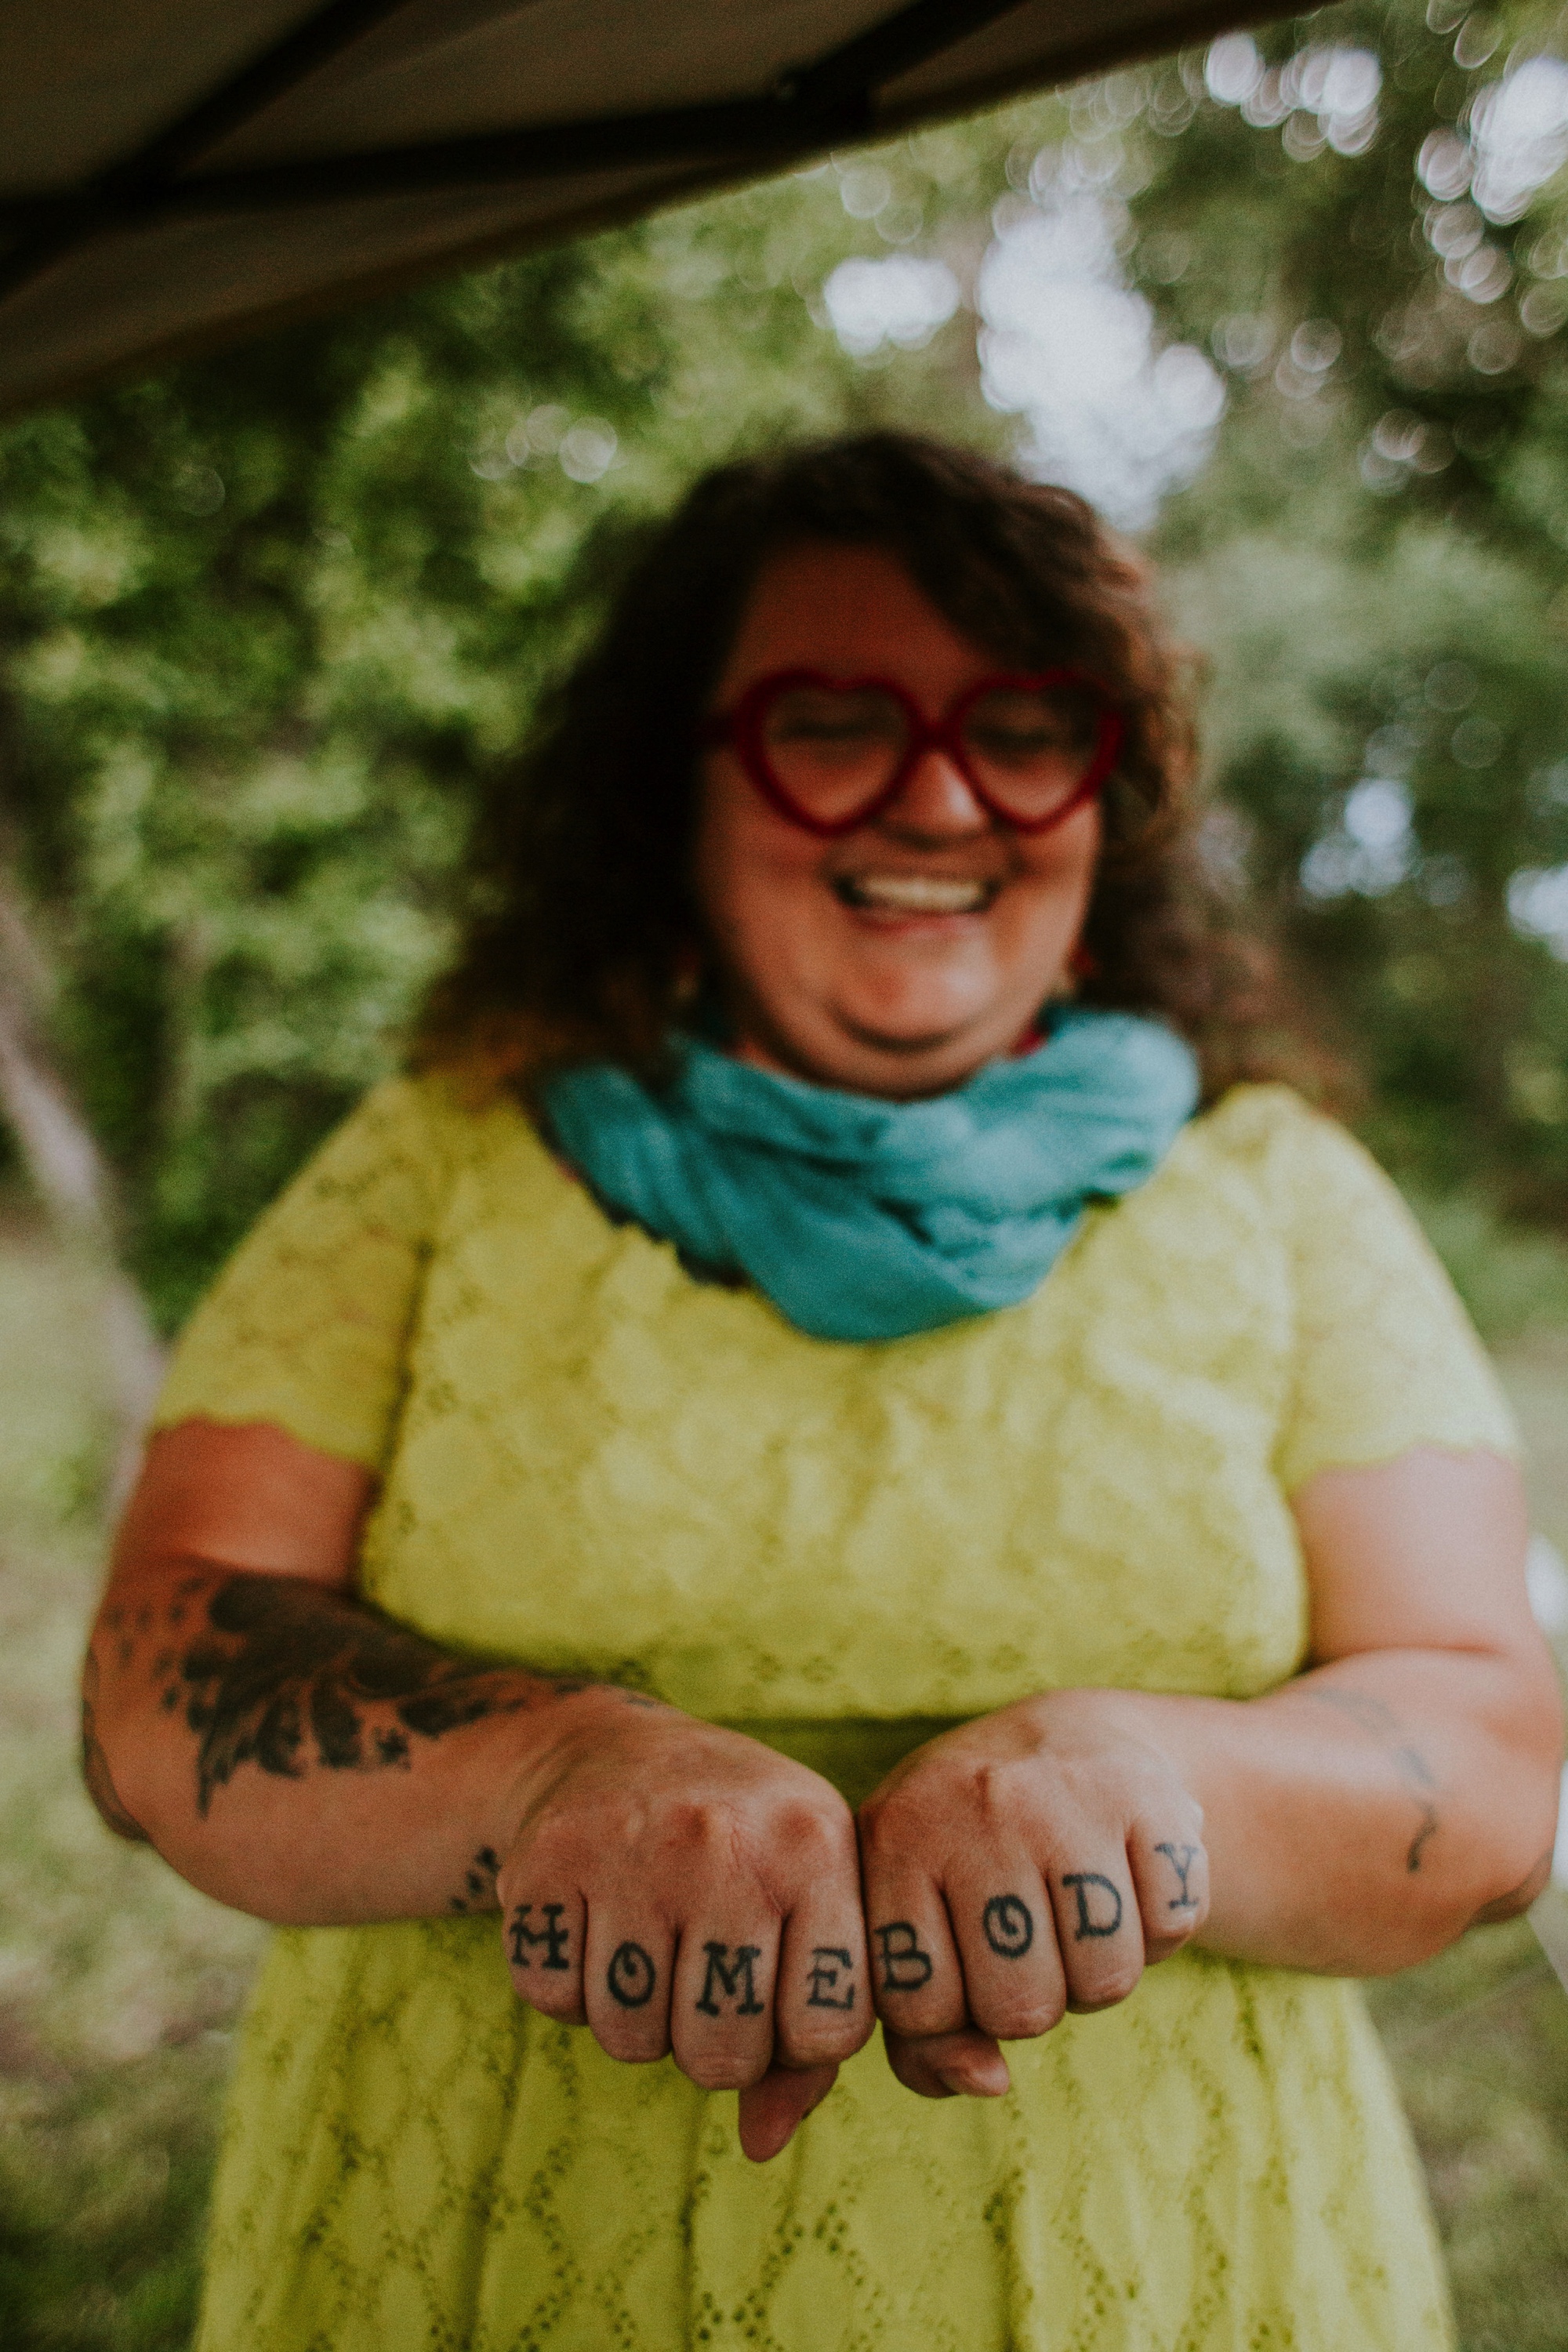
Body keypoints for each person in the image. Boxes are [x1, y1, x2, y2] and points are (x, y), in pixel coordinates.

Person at [84, 432, 1561, 2352]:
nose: (942, 797)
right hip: (480, 2254)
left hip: (1178, 2276)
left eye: (1028, 727)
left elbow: (1498, 1748)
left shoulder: (1275, 1190)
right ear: (675, 787)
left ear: (1102, 794)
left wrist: (1161, 1785)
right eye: (837, 720)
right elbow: (156, 1664)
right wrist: (540, 1776)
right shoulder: (443, 1160)